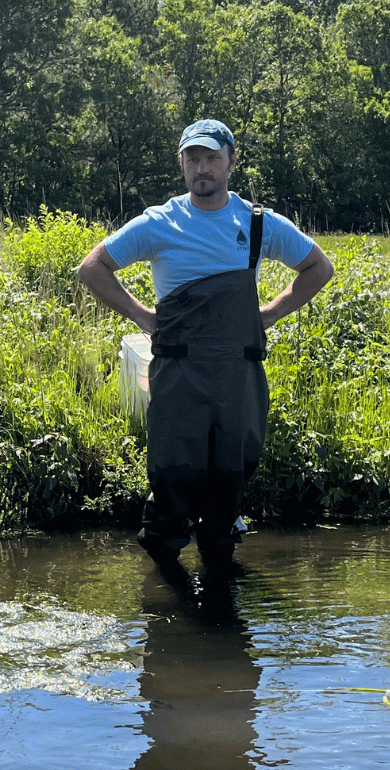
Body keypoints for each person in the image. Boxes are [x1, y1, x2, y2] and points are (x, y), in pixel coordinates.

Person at [76, 118, 334, 573]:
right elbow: (92, 269)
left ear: (232, 161)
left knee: (229, 482)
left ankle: (218, 576)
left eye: (212, 157)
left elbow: (318, 267)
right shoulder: (158, 223)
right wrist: (144, 317)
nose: (203, 168)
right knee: (173, 477)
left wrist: (270, 313)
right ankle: (166, 578)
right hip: (178, 374)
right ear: (181, 164)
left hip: (238, 375)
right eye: (193, 158)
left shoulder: (258, 225)